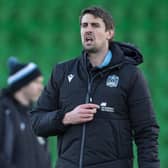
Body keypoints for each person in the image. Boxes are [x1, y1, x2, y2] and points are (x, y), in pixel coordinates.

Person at [31, 6, 160, 168]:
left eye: (95, 25)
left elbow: (146, 132)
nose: (88, 30)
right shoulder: (62, 71)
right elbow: (36, 122)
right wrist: (65, 118)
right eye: (84, 25)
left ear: (109, 33)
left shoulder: (131, 75)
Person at [0, 57, 51, 168]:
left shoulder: (36, 116)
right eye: (37, 82)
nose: (41, 88)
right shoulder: (4, 113)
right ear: (22, 84)